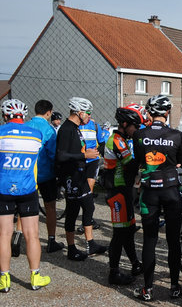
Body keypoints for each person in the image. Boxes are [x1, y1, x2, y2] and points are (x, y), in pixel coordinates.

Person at [132, 95, 182, 301]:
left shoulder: (139, 134)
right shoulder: (176, 134)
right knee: (173, 240)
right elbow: (181, 161)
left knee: (149, 239)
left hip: (149, 192)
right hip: (171, 190)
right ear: (167, 113)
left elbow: (139, 161)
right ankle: (174, 286)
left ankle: (147, 289)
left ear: (148, 112)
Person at [0, 99, 51, 292]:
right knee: (32, 235)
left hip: (3, 189)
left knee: (4, 235)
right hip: (28, 188)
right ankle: (35, 277)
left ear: (5, 116)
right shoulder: (36, 134)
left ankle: (4, 279)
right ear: (23, 115)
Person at [56, 97, 107, 261]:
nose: (90, 117)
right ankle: (71, 248)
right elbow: (61, 155)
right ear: (80, 112)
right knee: (73, 211)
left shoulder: (76, 128)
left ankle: (90, 243)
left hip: (79, 173)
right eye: (88, 114)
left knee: (88, 207)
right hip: (71, 176)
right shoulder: (66, 129)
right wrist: (84, 155)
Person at [104, 104, 146, 285]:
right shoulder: (116, 140)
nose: (136, 130)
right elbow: (131, 164)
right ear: (125, 123)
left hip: (124, 190)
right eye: (135, 126)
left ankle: (135, 264)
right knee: (119, 233)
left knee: (128, 231)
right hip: (117, 191)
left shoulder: (122, 138)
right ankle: (113, 272)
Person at [25, 100, 64, 253]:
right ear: (48, 112)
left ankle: (18, 237)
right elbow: (52, 153)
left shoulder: (26, 126)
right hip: (46, 173)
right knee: (50, 207)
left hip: (28, 174)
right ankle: (51, 240)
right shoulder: (48, 129)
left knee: (25, 209)